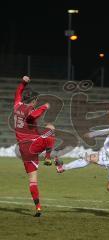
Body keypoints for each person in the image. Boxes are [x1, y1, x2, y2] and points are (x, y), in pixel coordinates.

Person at [56, 104, 109, 218]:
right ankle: (63, 167)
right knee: (90, 157)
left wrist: (93, 133)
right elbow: (107, 144)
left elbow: (108, 131)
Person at [14, 76, 56, 217]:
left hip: (23, 150)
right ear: (33, 101)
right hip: (33, 145)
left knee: (33, 180)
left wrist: (23, 82)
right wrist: (44, 106)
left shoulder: (17, 106)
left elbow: (18, 93)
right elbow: (32, 117)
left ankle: (38, 208)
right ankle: (48, 157)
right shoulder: (29, 111)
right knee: (50, 129)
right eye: (36, 101)